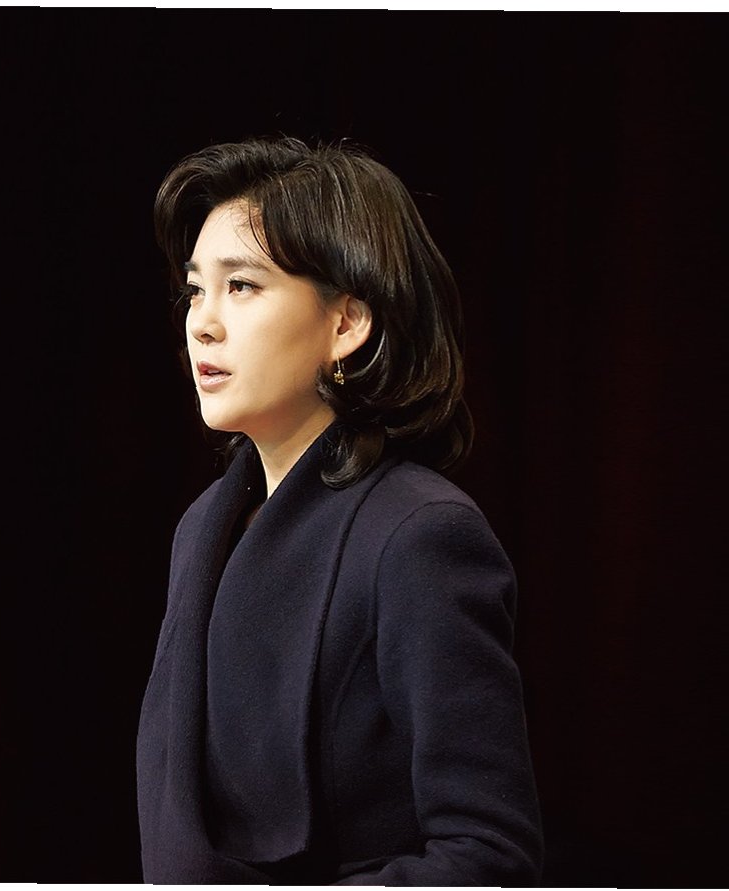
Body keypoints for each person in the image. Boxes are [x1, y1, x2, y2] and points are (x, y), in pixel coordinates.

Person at [135, 137, 544, 885]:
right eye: (195, 290)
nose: (202, 322)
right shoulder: (202, 527)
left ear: (347, 323)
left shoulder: (420, 534)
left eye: (242, 286)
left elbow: (489, 853)